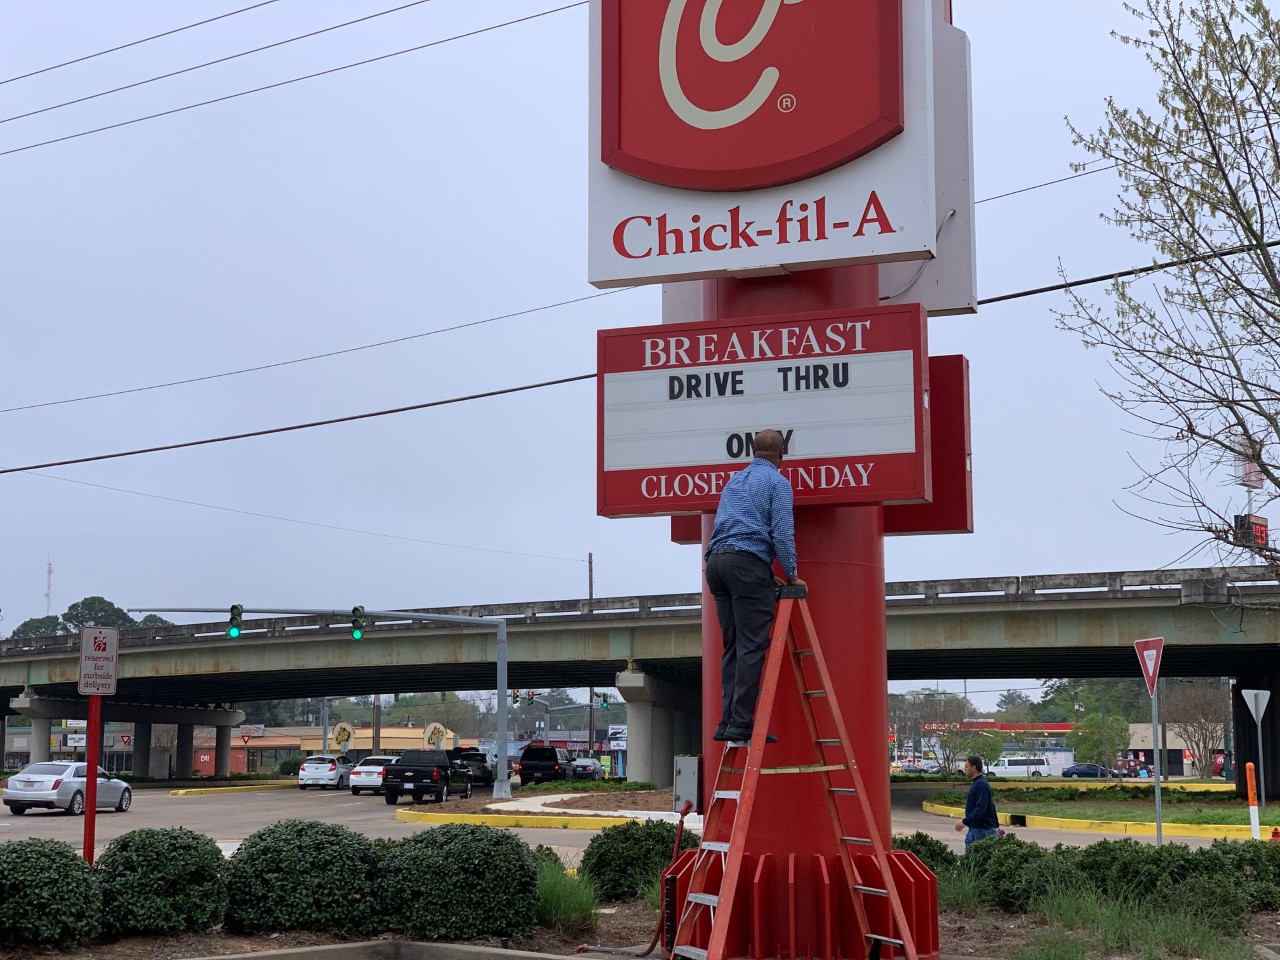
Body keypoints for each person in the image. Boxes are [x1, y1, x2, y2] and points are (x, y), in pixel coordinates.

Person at [704, 428, 806, 743]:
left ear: (752, 451)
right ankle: (741, 723)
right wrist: (791, 574)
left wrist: (761, 571)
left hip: (717, 565)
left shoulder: (734, 481)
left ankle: (726, 723)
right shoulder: (778, 483)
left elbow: (728, 527)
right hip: (745, 565)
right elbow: (782, 534)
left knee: (733, 646)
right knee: (752, 645)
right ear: (782, 454)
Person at [954, 755, 999, 849]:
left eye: (966, 767)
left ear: (974, 768)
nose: (964, 769)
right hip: (975, 828)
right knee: (971, 859)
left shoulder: (981, 785)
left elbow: (981, 808)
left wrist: (964, 822)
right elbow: (991, 805)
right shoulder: (977, 783)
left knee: (980, 860)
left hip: (983, 830)